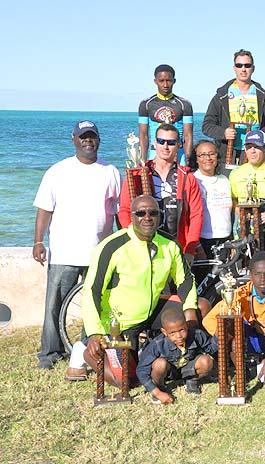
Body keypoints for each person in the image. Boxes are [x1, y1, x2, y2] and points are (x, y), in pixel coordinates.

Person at [82, 195, 199, 387]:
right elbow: (92, 290)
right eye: (141, 213)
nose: (147, 217)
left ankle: (190, 363)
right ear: (131, 217)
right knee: (128, 381)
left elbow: (185, 280)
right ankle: (86, 351)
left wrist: (191, 313)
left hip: (151, 312)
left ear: (159, 216)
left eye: (153, 213)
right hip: (118, 323)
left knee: (200, 305)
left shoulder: (169, 244)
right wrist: (94, 333)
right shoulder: (112, 246)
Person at [33, 120, 121, 371]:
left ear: (99, 141)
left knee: (95, 305)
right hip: (65, 251)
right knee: (55, 304)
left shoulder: (111, 171)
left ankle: (84, 350)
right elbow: (44, 209)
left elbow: (118, 213)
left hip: (100, 252)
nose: (88, 141)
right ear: (74, 139)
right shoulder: (57, 171)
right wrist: (38, 241)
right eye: (83, 137)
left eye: (92, 137)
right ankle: (50, 353)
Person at [202, 252, 265, 386]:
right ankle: (242, 372)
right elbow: (208, 320)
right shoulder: (240, 294)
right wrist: (225, 335)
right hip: (251, 338)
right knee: (233, 332)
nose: (262, 279)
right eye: (257, 274)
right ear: (251, 275)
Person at [118, 123, 203, 262]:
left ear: (179, 145)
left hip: (176, 247)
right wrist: (133, 242)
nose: (165, 146)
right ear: (154, 143)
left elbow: (196, 216)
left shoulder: (188, 177)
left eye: (171, 142)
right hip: (143, 248)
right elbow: (125, 210)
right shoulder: (138, 174)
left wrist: (190, 250)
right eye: (161, 141)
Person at [202, 49, 265, 166]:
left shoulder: (263, 95)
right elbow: (207, 126)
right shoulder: (222, 95)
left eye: (247, 65)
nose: (243, 69)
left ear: (253, 68)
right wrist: (223, 133)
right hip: (227, 153)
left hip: (255, 153)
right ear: (234, 68)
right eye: (239, 65)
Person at [137, 307, 217, 404]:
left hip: (188, 368)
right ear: (164, 332)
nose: (178, 336)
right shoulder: (157, 344)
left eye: (182, 330)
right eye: (172, 333)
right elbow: (141, 370)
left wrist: (219, 334)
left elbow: (211, 348)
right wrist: (157, 392)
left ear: (186, 326)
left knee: (206, 361)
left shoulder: (196, 335)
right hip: (168, 372)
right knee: (159, 364)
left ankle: (191, 380)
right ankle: (161, 387)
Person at [228, 129, 265, 246]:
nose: (253, 151)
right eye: (249, 147)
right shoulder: (235, 173)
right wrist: (238, 210)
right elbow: (232, 199)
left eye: (257, 147)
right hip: (243, 231)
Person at [138, 64, 193, 165]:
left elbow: (188, 135)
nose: (165, 85)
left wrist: (188, 161)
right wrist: (143, 161)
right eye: (161, 81)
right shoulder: (146, 104)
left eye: (169, 80)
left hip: (179, 155)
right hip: (154, 153)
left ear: (174, 81)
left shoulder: (184, 105)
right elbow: (143, 135)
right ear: (155, 81)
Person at [190, 141, 233, 258]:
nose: (207, 158)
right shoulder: (192, 179)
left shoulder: (225, 180)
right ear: (196, 159)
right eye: (202, 155)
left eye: (211, 154)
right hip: (201, 240)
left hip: (225, 238)